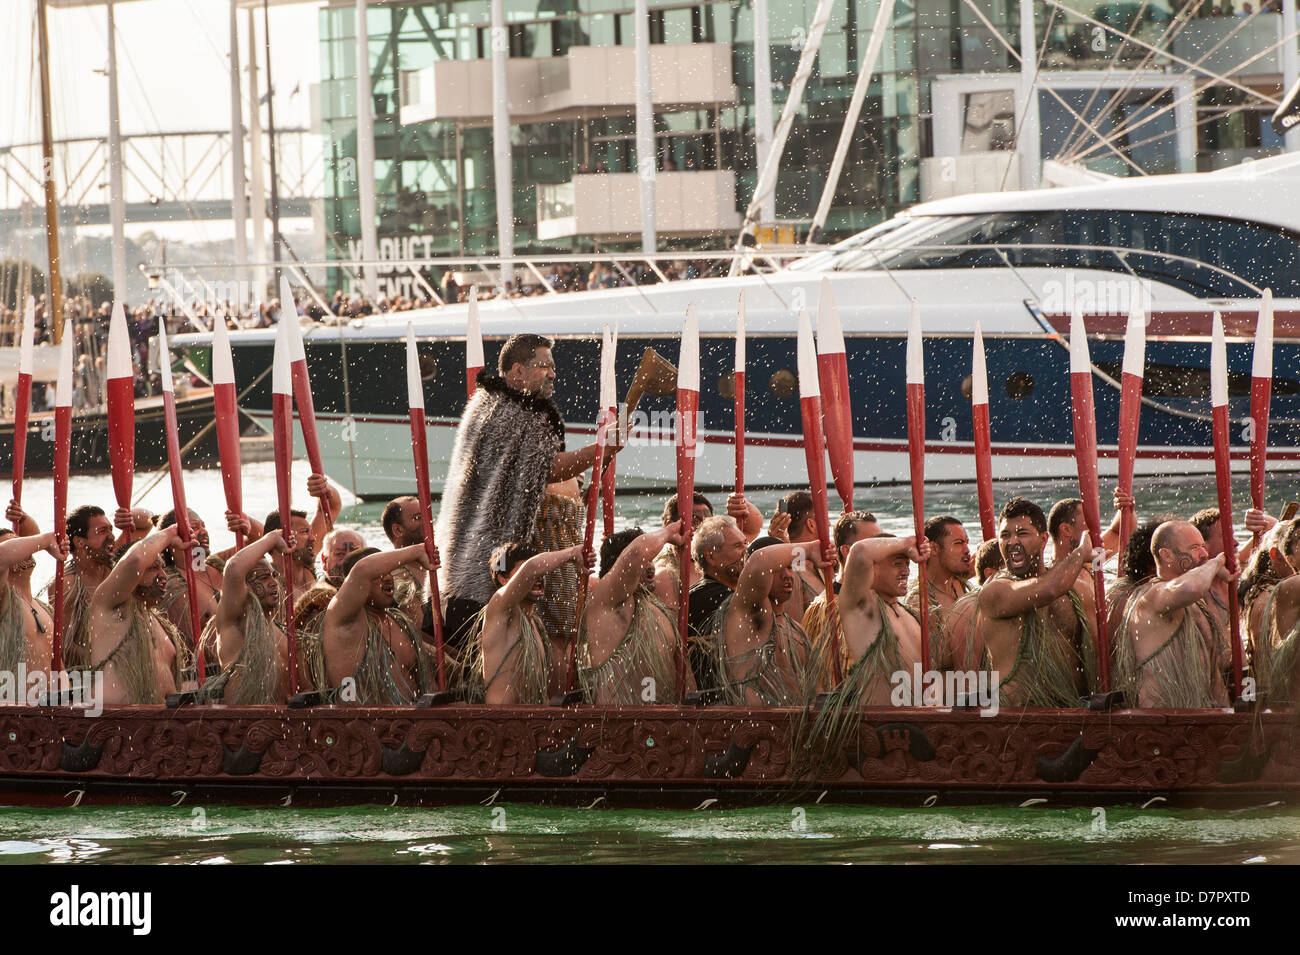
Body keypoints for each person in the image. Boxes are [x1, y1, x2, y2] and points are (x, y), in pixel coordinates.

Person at [436, 333, 620, 651]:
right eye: (543, 366)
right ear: (517, 371)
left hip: (474, 576)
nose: (552, 374)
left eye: (553, 367)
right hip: (489, 581)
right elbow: (551, 468)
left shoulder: (488, 404)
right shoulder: (515, 412)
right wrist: (605, 447)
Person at [976, 497, 1094, 707]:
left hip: (1072, 710)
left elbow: (1094, 653)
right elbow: (1049, 589)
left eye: (1022, 533)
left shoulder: (1077, 591)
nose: (1012, 542)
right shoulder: (995, 592)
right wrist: (1081, 553)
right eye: (1005, 535)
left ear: (1043, 539)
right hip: (1017, 717)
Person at [1113, 521, 1233, 707]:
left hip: (1199, 714)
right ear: (1166, 555)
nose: (1204, 554)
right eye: (1194, 548)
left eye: (1203, 546)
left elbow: (1213, 675)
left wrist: (1225, 714)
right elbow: (1192, 587)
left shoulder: (1197, 604)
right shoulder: (1152, 596)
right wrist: (1217, 563)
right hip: (1159, 719)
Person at [467, 541, 593, 704]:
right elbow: (531, 569)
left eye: (542, 573)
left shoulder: (535, 623)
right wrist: (572, 553)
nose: (538, 577)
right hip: (501, 721)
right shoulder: (499, 610)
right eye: (525, 572)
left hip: (531, 721)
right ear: (503, 579)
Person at [578, 523, 690, 704]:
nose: (651, 566)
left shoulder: (659, 611)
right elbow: (636, 553)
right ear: (619, 567)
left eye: (651, 560)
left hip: (662, 721)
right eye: (645, 561)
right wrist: (668, 533)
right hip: (615, 723)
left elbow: (684, 672)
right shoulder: (608, 603)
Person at [86, 527, 195, 705]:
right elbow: (135, 560)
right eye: (153, 568)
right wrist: (170, 533)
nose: (163, 575)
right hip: (117, 723)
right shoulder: (110, 608)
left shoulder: (158, 622)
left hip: (159, 723)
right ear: (125, 577)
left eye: (163, 568)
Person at [320, 545, 439, 704]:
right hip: (363, 724)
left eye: (389, 572)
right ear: (355, 586)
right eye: (379, 574)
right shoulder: (343, 619)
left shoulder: (401, 624)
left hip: (412, 723)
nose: (388, 578)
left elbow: (429, 685)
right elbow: (362, 569)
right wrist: (418, 551)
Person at [718, 536, 828, 705]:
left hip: (793, 725)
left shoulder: (797, 630)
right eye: (777, 569)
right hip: (752, 724)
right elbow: (760, 561)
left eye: (790, 568)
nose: (786, 575)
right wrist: (809, 549)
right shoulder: (749, 616)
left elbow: (815, 689)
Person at [203, 531, 292, 704]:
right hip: (242, 722)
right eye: (264, 578)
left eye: (274, 575)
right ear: (244, 588)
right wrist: (272, 538)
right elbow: (234, 567)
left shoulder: (280, 632)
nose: (274, 582)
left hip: (280, 721)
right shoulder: (236, 620)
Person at [802, 510, 882, 668]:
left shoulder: (880, 597)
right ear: (847, 552)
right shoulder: (827, 609)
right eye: (872, 544)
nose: (882, 550)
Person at [685, 515, 748, 688]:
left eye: (746, 544)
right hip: (716, 701)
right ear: (711, 556)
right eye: (737, 546)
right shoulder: (707, 596)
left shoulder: (717, 591)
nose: (746, 552)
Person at [535, 477, 585, 692]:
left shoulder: (548, 473)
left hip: (553, 553)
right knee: (560, 641)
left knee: (554, 640)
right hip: (568, 555)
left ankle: (556, 700)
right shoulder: (570, 481)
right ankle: (560, 697)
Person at [154, 508, 224, 652]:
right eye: (195, 528)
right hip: (207, 671)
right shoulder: (170, 584)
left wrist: (241, 518)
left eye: (203, 525)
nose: (204, 532)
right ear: (174, 538)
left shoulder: (217, 565)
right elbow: (190, 646)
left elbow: (254, 539)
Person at [906, 515, 974, 661]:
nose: (967, 550)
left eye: (967, 542)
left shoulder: (959, 582)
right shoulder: (921, 603)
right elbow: (932, 664)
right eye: (958, 543)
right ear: (934, 548)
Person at [57, 504, 117, 670]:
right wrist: (111, 661)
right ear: (79, 542)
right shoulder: (67, 584)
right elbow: (65, 645)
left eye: (111, 529)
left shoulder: (118, 572)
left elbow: (145, 524)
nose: (112, 536)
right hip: (85, 674)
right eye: (102, 531)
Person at [0, 529, 65, 677]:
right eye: (14, 545)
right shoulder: (3, 598)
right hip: (10, 699)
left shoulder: (43, 609)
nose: (25, 550)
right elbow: (1, 554)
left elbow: (59, 667)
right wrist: (46, 539)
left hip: (49, 699)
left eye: (19, 541)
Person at [766, 490, 826, 622]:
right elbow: (790, 628)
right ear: (811, 524)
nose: (829, 524)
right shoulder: (791, 573)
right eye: (825, 518)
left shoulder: (821, 564)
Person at [380, 495, 428, 623]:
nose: (428, 522)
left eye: (427, 515)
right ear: (398, 530)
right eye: (418, 518)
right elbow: (420, 631)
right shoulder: (398, 576)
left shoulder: (439, 562)